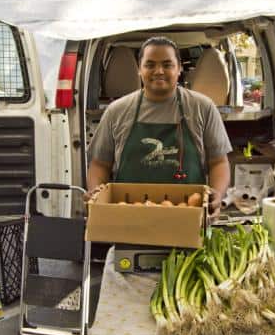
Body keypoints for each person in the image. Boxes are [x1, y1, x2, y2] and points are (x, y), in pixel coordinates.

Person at [86, 36, 231, 215]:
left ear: (179, 69)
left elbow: (218, 162)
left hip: (188, 217)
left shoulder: (202, 107)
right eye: (150, 65)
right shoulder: (117, 111)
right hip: (127, 218)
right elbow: (100, 164)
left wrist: (217, 195)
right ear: (140, 69)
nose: (159, 71)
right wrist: (97, 194)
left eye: (167, 64)